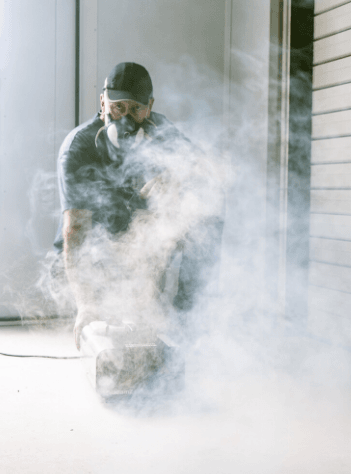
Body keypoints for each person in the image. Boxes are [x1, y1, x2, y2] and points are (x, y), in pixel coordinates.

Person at [53, 62, 224, 349]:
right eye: (118, 108)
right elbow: (76, 231)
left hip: (142, 246)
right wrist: (86, 303)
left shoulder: (160, 130)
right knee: (111, 322)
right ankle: (113, 302)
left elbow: (208, 173)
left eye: (136, 109)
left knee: (207, 217)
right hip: (94, 252)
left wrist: (178, 181)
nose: (126, 119)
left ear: (150, 106)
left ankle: (189, 324)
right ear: (103, 102)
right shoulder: (79, 148)